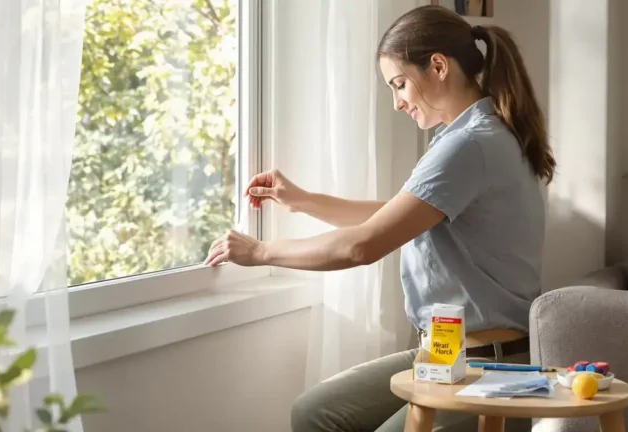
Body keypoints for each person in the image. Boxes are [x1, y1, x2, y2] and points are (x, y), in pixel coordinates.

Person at [205, 5, 556, 432]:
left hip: (488, 366)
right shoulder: (479, 134)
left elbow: (363, 246)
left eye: (400, 84)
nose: (397, 102)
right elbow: (398, 216)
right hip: (448, 355)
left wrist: (260, 251)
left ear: (438, 66)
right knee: (315, 412)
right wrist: (302, 201)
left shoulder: (468, 145)